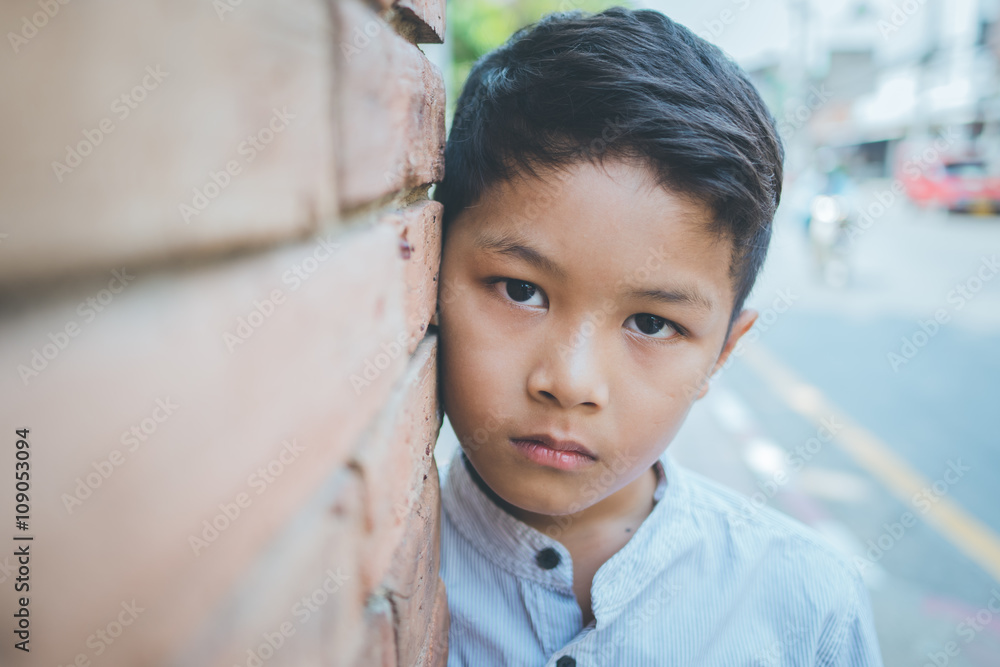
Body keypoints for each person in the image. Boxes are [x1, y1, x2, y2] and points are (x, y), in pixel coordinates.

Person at [430, 7, 883, 665]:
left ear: (721, 353)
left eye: (651, 323)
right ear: (432, 273)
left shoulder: (807, 606)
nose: (570, 381)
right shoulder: (363, 575)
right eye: (521, 290)